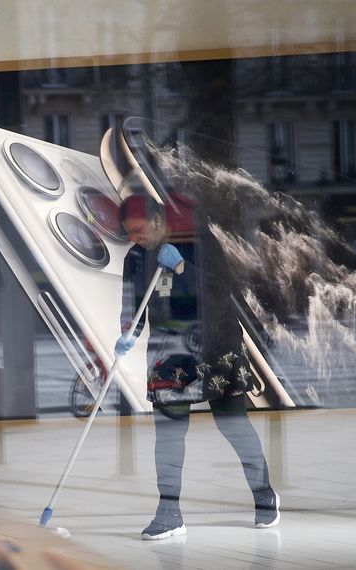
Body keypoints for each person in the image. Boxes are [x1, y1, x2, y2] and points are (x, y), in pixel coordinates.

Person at [116, 189, 280, 540]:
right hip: (170, 355)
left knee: (232, 424)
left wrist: (180, 267)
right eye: (129, 232)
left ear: (158, 221)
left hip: (215, 347)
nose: (133, 238)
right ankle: (169, 511)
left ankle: (264, 494)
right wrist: (128, 330)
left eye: (139, 229)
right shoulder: (135, 258)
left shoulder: (199, 241)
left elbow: (221, 291)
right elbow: (134, 306)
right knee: (169, 434)